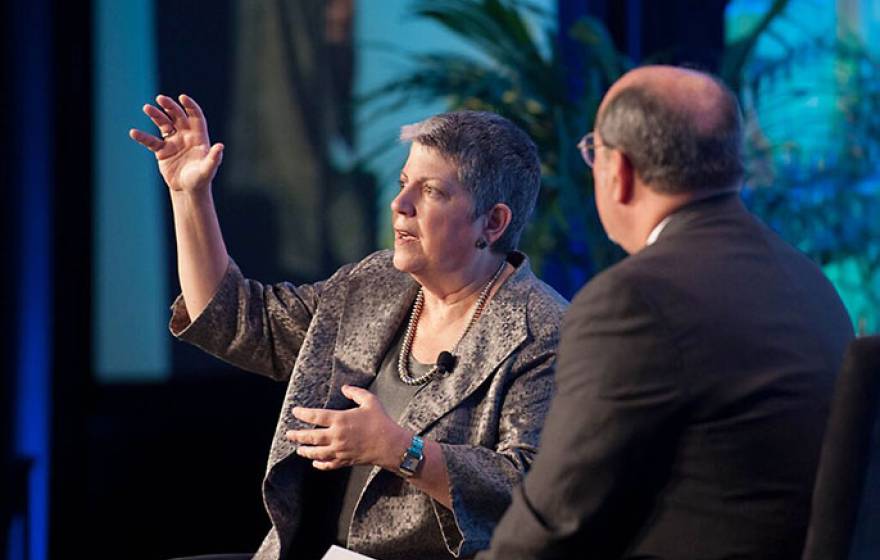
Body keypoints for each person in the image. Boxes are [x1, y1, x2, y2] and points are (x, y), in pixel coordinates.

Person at [129, 96, 567, 560]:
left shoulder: (541, 331)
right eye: (403, 184)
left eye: (432, 191)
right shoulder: (374, 283)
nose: (399, 205)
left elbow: (531, 489)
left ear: (494, 222)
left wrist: (400, 450)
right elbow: (240, 321)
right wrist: (189, 195)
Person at [479, 65, 855, 559]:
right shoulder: (810, 281)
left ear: (621, 172)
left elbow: (556, 523)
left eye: (593, 152)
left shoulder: (634, 301)